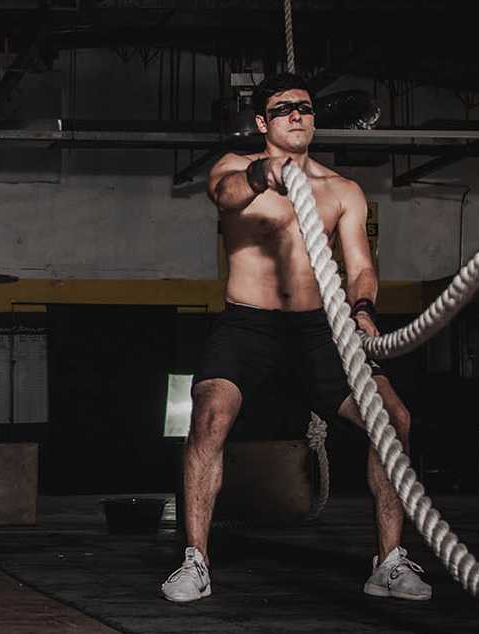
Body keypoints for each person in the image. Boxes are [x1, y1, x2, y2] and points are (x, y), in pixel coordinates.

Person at [161, 73, 430, 604]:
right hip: (247, 325)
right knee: (210, 413)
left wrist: (363, 310)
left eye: (304, 109)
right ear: (263, 122)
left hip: (318, 330)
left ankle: (390, 562)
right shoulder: (237, 170)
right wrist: (268, 174)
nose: (296, 116)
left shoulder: (343, 191)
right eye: (283, 109)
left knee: (393, 421)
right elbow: (226, 195)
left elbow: (360, 267)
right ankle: (195, 560)